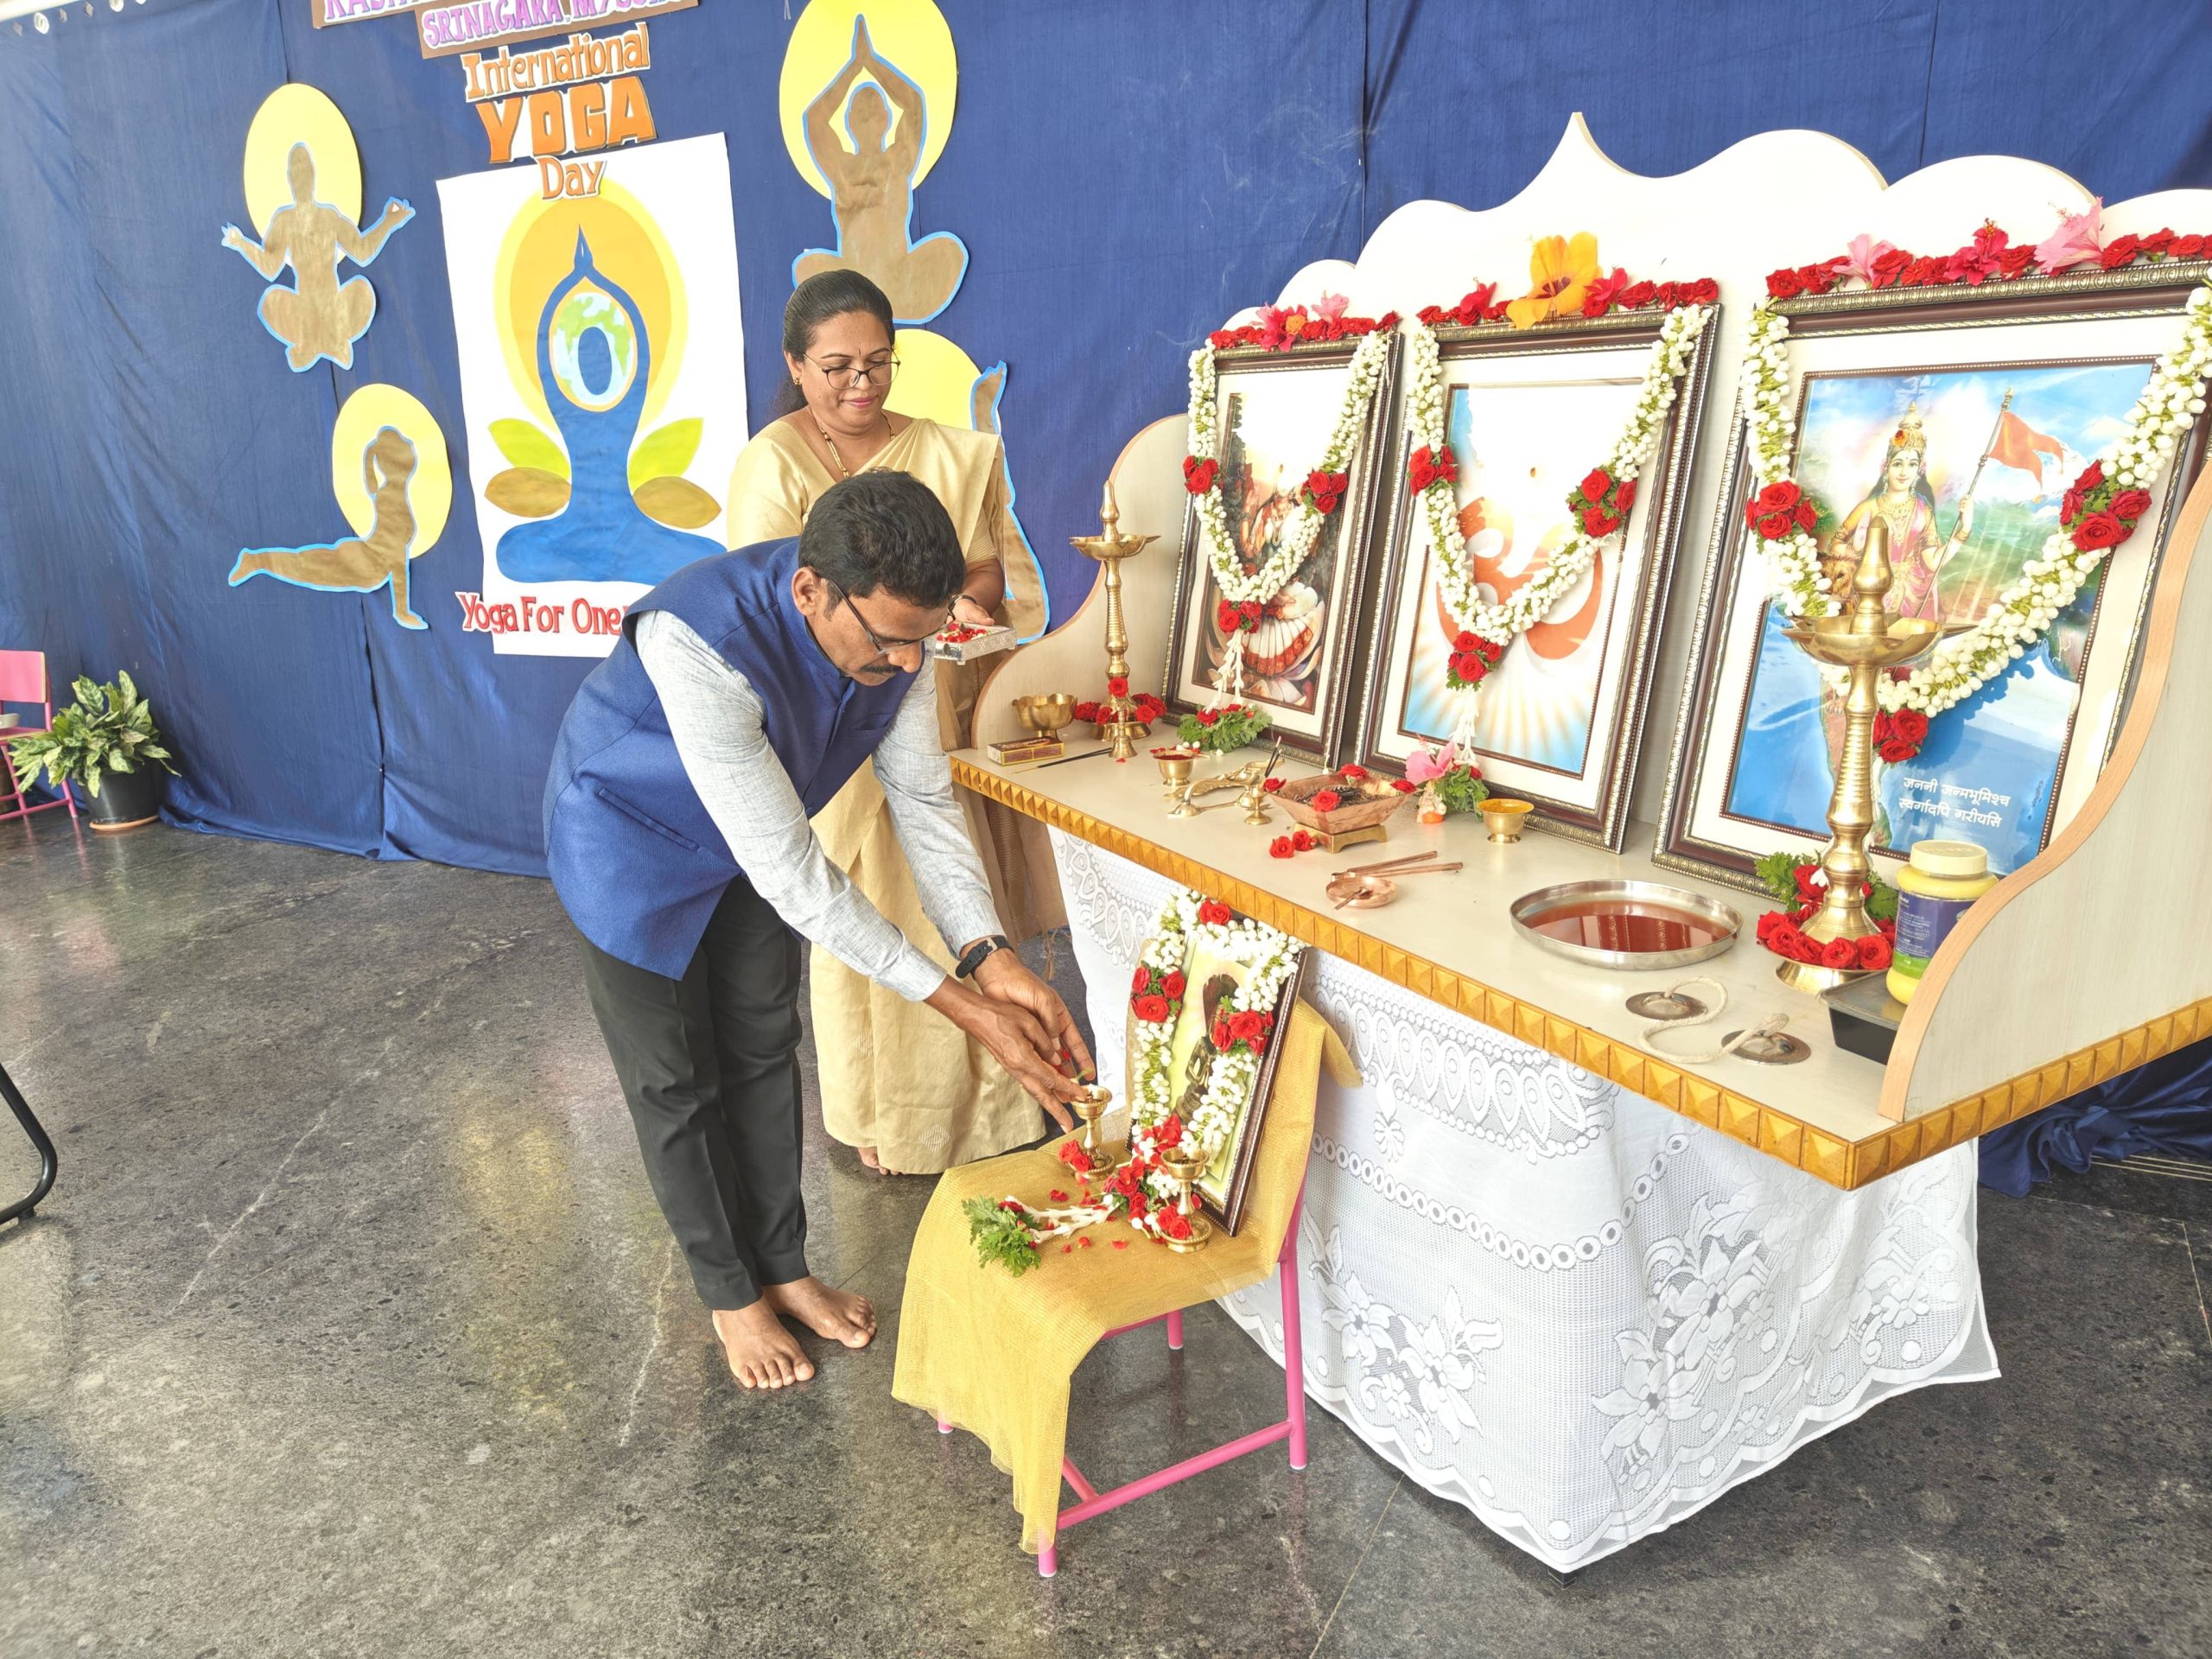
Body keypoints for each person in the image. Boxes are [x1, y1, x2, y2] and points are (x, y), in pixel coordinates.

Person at [543, 469, 1094, 1390]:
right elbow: (795, 877)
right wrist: (964, 1007)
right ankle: (732, 1297)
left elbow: (921, 797)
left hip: (755, 850)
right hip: (628, 844)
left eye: (924, 641)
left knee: (763, 1047)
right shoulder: (698, 640)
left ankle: (785, 1270)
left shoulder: (899, 628)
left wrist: (987, 955)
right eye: (889, 643)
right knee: (675, 1077)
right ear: (811, 592)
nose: (910, 666)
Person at [726, 270, 1056, 1176]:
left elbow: (983, 573)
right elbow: (781, 605)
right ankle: (886, 1117)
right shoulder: (772, 466)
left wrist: (950, 607)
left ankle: (999, 1109)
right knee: (868, 901)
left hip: (933, 696)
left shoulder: (947, 453)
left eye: (878, 362)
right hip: (831, 714)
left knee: (956, 883)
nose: (861, 383)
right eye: (837, 367)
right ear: (797, 366)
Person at [793, 17, 967, 324]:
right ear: (849, 122)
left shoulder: (898, 161)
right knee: (807, 269)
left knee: (949, 253)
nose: (868, 118)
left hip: (900, 276)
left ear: (887, 119)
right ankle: (866, 301)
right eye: (860, 113)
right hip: (853, 281)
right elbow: (815, 120)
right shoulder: (842, 170)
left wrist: (872, 63)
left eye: (875, 111)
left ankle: (888, 301)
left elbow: (913, 104)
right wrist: (853, 67)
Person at [220, 143, 412, 373]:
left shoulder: (328, 217)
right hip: (304, 311)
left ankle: (322, 342)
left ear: (313, 176)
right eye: (296, 174)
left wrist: (388, 222)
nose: (301, 180)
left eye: (305, 173)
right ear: (290, 179)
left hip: (335, 307)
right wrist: (241, 244)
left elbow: (362, 250)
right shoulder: (284, 221)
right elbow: (270, 267)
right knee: (272, 301)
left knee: (362, 290)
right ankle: (320, 342)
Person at [228, 424, 426, 628]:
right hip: (364, 567)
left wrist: (402, 609)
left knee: (304, 563)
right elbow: (397, 558)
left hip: (363, 562)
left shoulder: (392, 494)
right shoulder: (391, 497)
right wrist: (402, 610)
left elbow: (397, 556)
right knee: (304, 566)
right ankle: (257, 560)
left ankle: (257, 560)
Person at [1820, 404, 1973, 621]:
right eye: (1898, 464)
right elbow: (1834, 544)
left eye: (1912, 465)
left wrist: (1964, 530)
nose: (1904, 472)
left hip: (1914, 593)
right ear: (1886, 467)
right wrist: (1856, 548)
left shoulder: (1923, 509)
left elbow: (1932, 562)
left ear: (1919, 469)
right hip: (1873, 589)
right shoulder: (1869, 507)